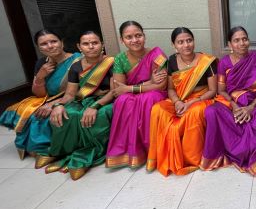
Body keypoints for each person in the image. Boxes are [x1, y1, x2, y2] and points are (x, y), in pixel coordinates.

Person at [200, 26, 256, 176]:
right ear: (229, 44)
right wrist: (234, 106)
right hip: (232, 103)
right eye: (237, 40)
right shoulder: (224, 63)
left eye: (245, 39)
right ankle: (225, 151)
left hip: (255, 102)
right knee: (211, 111)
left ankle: (253, 153)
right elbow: (221, 90)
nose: (242, 43)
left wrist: (251, 107)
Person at [0, 30, 81, 163]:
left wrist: (55, 103)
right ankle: (39, 147)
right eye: (44, 44)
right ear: (39, 48)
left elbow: (82, 90)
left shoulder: (78, 60)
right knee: (31, 113)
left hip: (73, 97)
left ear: (62, 42)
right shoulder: (42, 63)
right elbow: (39, 94)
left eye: (53, 41)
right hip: (49, 98)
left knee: (48, 115)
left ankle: (51, 149)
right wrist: (41, 76)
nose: (50, 46)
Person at [44, 31, 115, 180]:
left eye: (95, 43)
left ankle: (85, 156)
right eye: (86, 44)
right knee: (67, 113)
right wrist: (58, 104)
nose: (91, 47)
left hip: (107, 101)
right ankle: (64, 152)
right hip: (83, 100)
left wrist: (95, 107)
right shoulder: (76, 67)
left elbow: (115, 91)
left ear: (102, 45)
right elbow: (70, 94)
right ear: (79, 47)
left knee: (100, 116)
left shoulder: (111, 63)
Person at [147, 27, 217, 176]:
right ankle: (160, 155)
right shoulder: (171, 61)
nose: (186, 45)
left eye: (189, 40)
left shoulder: (206, 61)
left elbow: (212, 91)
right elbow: (171, 88)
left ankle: (191, 158)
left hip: (202, 98)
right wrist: (177, 102)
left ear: (194, 41)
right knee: (158, 109)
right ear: (174, 45)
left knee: (193, 113)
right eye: (180, 42)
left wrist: (193, 102)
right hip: (180, 98)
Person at [106, 21, 167, 169]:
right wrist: (147, 83)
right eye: (129, 37)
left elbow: (160, 85)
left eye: (138, 35)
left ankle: (152, 151)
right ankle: (130, 152)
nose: (134, 40)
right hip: (137, 92)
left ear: (144, 36)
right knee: (122, 101)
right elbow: (119, 88)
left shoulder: (157, 55)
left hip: (154, 93)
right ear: (122, 40)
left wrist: (131, 88)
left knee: (149, 98)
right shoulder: (120, 59)